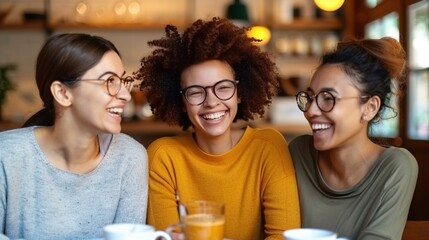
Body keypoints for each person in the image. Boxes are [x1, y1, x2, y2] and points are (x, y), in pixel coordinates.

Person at [134, 17, 300, 240]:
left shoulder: (268, 147)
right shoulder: (164, 157)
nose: (211, 102)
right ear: (182, 103)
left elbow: (284, 237)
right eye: (195, 92)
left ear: (239, 94)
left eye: (223, 88)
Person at [0, 33, 148, 239]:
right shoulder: (5, 156)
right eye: (110, 81)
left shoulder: (130, 157)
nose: (125, 95)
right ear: (62, 93)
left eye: (123, 80)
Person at [289, 37, 418, 240]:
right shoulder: (298, 153)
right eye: (311, 97)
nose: (311, 111)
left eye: (328, 98)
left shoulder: (395, 167)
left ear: (369, 108)